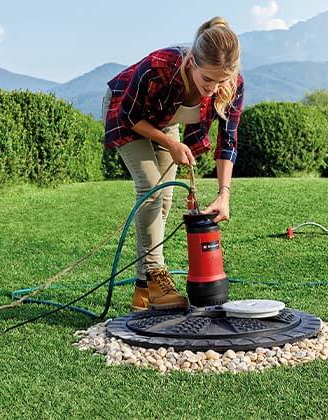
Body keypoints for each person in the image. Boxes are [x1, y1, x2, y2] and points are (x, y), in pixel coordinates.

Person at [102, 16, 244, 311]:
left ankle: (144, 291)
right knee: (151, 188)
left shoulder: (231, 85)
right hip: (128, 113)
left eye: (222, 81)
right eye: (207, 79)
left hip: (165, 121)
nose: (214, 89)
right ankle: (156, 276)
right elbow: (130, 115)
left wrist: (224, 194)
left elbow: (227, 140)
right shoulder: (160, 67)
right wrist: (171, 143)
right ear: (192, 61)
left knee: (164, 199)